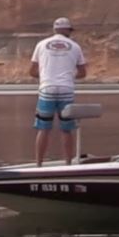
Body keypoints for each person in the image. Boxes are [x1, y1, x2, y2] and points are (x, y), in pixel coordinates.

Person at [29, 17, 88, 166]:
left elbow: (32, 71)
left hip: (47, 88)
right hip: (66, 90)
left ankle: (39, 164)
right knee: (66, 129)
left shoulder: (41, 45)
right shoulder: (75, 46)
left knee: (43, 128)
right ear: (68, 30)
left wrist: (46, 75)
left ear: (54, 29)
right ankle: (68, 164)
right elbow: (82, 73)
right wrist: (69, 75)